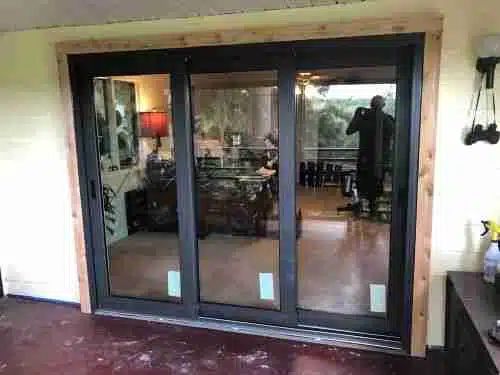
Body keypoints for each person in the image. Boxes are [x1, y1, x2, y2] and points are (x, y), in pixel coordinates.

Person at [346, 95, 394, 216]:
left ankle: (365, 207)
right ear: (383, 105)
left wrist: (358, 114)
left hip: (366, 159)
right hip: (379, 161)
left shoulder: (364, 118)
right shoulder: (388, 120)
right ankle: (372, 209)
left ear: (371, 104)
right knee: (375, 185)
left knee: (364, 184)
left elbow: (349, 130)